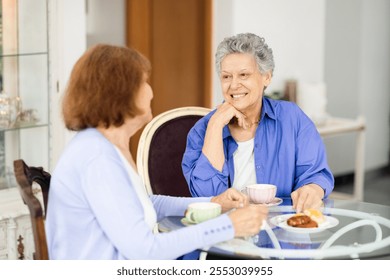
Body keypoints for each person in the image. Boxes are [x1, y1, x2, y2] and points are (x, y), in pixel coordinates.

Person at [45, 44, 268, 260]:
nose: (151, 91)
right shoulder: (97, 158)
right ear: (121, 92)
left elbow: (144, 203)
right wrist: (229, 226)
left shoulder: (103, 146)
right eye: (144, 82)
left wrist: (214, 203)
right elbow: (145, 251)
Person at [182, 33, 334, 213]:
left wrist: (312, 189)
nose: (234, 85)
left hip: (281, 232)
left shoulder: (292, 118)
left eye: (244, 75)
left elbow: (316, 174)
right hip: (225, 232)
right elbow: (207, 199)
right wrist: (215, 127)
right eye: (226, 77)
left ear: (266, 77)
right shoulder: (202, 130)